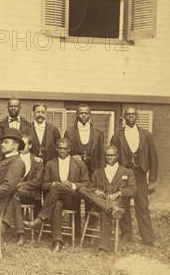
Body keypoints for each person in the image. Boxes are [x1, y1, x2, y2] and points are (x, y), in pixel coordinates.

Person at [25, 138, 90, 252]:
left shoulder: (79, 164)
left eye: (65, 148)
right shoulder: (50, 164)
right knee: (57, 204)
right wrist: (55, 184)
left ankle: (40, 219)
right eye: (60, 148)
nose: (63, 151)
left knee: (55, 189)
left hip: (71, 199)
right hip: (54, 200)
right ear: (56, 149)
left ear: (70, 149)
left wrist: (72, 185)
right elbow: (43, 185)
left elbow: (86, 183)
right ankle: (57, 242)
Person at [110, 107, 158, 246]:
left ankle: (148, 238)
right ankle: (126, 234)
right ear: (124, 117)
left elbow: (153, 158)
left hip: (140, 174)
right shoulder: (117, 135)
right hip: (124, 174)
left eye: (133, 114)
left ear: (137, 116)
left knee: (142, 205)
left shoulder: (146, 135)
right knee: (123, 203)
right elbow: (112, 157)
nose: (130, 116)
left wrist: (153, 180)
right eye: (128, 114)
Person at [79, 145, 137, 252]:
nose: (110, 158)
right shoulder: (97, 173)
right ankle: (110, 207)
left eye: (112, 155)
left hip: (118, 202)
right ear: (105, 157)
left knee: (105, 211)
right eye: (107, 155)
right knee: (82, 189)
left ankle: (103, 246)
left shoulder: (127, 172)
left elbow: (133, 190)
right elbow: (91, 186)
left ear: (117, 156)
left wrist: (118, 194)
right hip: (101, 202)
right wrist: (96, 191)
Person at [9, 134, 44, 246]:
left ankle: (4, 224)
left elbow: (37, 182)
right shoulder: (13, 158)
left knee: (10, 194)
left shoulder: (37, 161)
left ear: (30, 145)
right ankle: (21, 234)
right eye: (20, 144)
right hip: (16, 194)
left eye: (25, 144)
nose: (22, 146)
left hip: (31, 194)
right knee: (14, 199)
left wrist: (20, 185)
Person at [64, 104, 105, 175]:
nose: (83, 115)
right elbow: (64, 152)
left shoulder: (98, 133)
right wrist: (72, 157)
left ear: (90, 114)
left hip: (94, 169)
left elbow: (101, 154)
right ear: (77, 114)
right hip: (75, 168)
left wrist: (102, 171)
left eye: (86, 113)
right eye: (81, 113)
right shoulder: (69, 132)